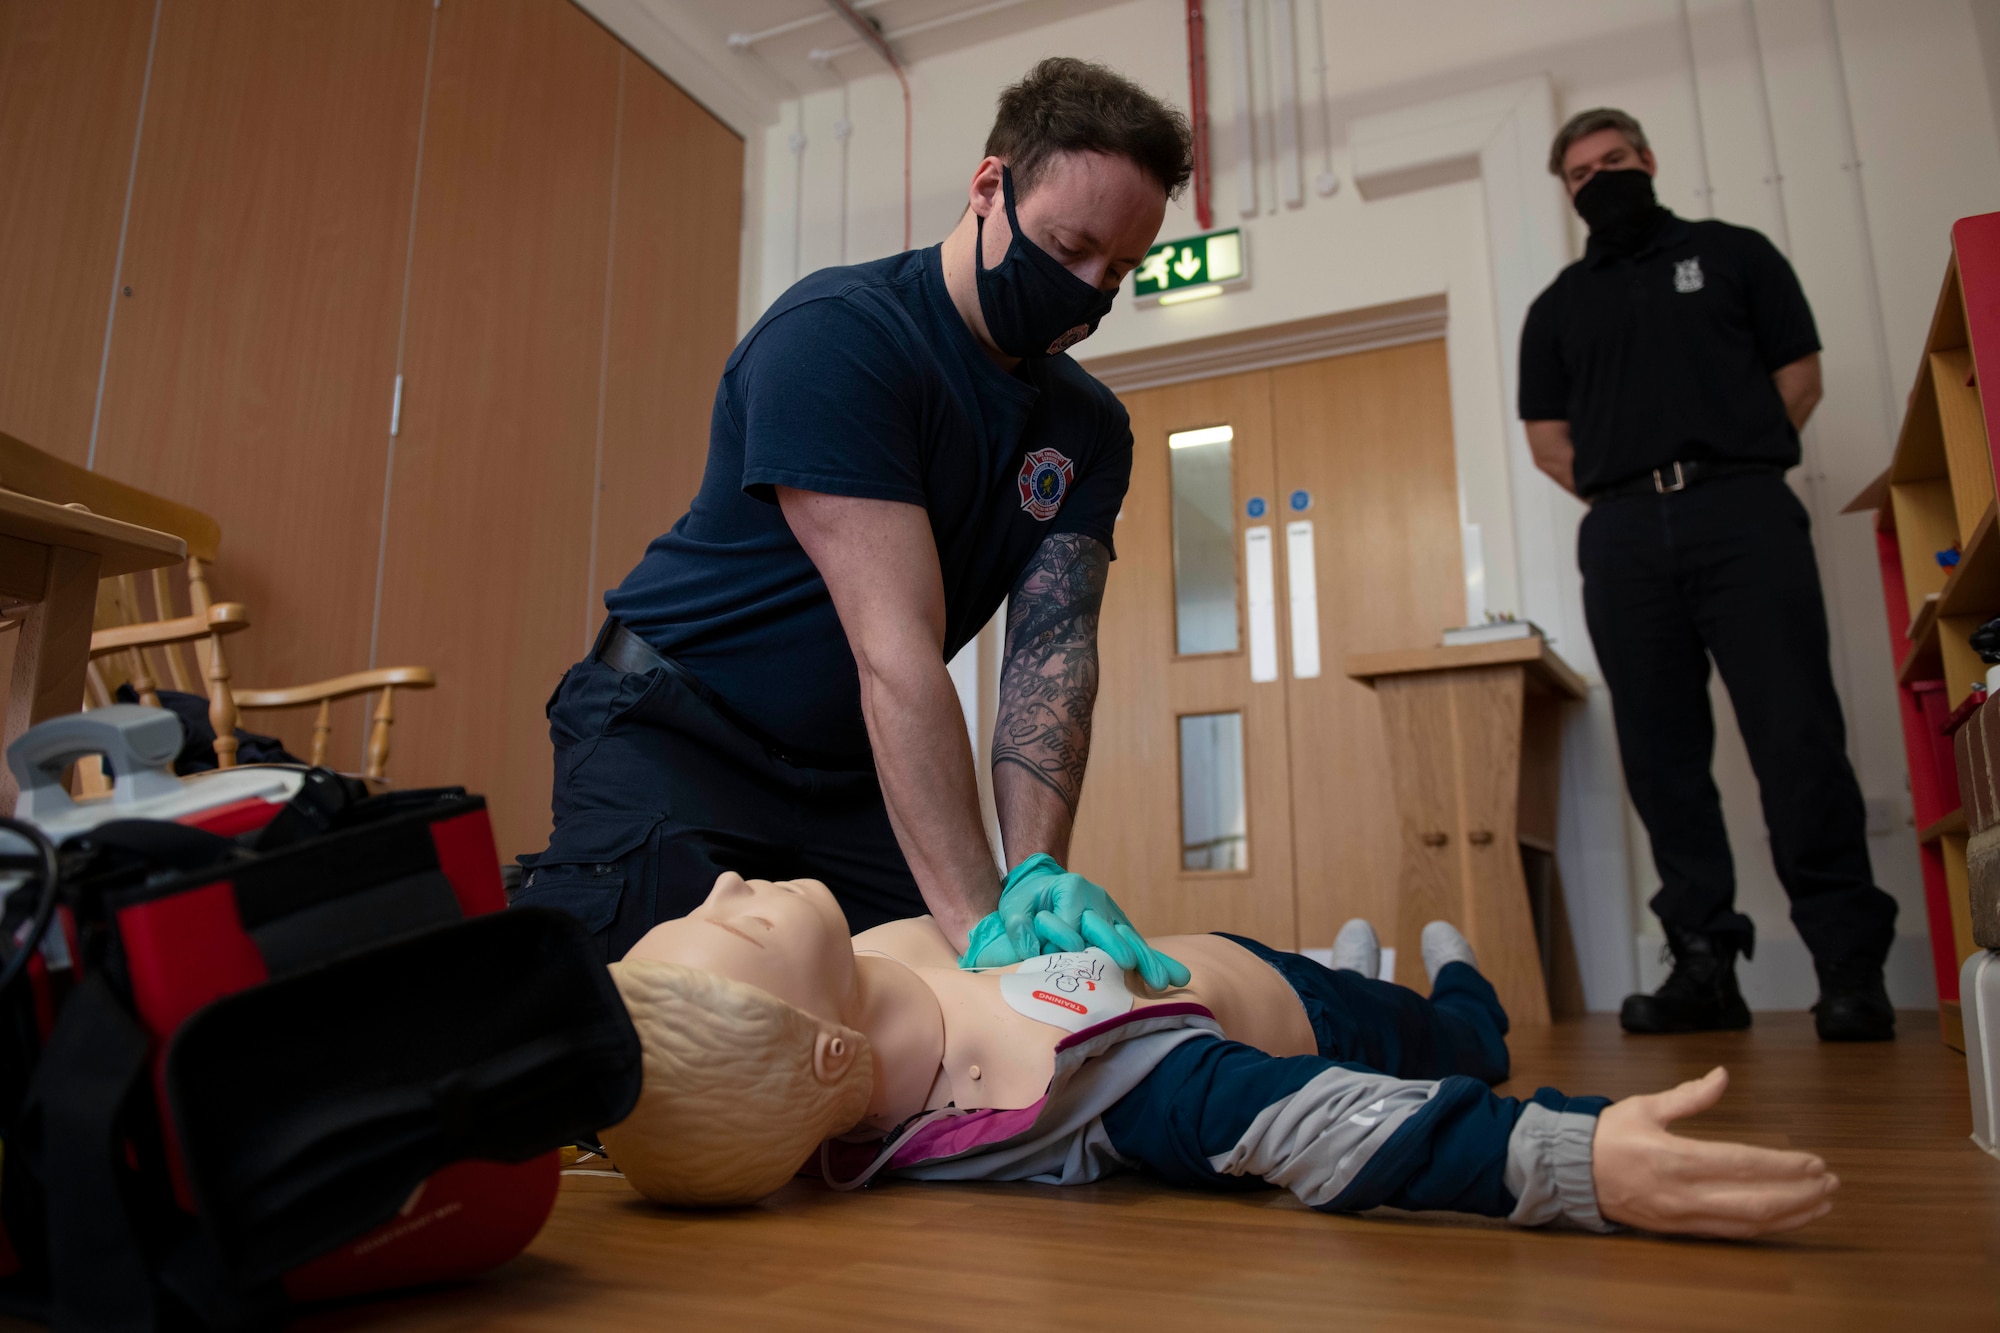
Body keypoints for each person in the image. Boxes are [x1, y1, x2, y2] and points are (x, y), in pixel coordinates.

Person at [514, 59, 1191, 980]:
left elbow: (1052, 654)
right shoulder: (843, 337)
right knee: (647, 1029)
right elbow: (894, 649)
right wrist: (980, 924)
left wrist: (1032, 870)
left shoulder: (1089, 429)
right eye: (1068, 248)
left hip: (849, 769)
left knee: (939, 1034)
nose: (1087, 290)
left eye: (1117, 269)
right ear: (990, 187)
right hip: (677, 729)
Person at [597, 870, 1840, 1240]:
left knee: (1341, 953)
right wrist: (1571, 1154)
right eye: (735, 924)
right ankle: (1453, 964)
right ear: (822, 1063)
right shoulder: (1074, 1088)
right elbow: (1315, 1123)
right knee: (1458, 1036)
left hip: (1212, 947)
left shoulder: (856, 954)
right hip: (1302, 1016)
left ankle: (1360, 941)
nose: (719, 881)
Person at [1518, 107, 1900, 1041]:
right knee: (1661, 753)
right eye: (1580, 174)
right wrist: (1640, 496)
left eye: (1613, 162)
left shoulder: (1736, 254)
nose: (1599, 180)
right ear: (1566, 193)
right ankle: (1703, 965)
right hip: (1622, 536)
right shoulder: (1558, 306)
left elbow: (1798, 376)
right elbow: (1548, 442)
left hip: (1745, 514)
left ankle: (1849, 968)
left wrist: (1725, 466)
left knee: (1797, 735)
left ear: (1648, 161)